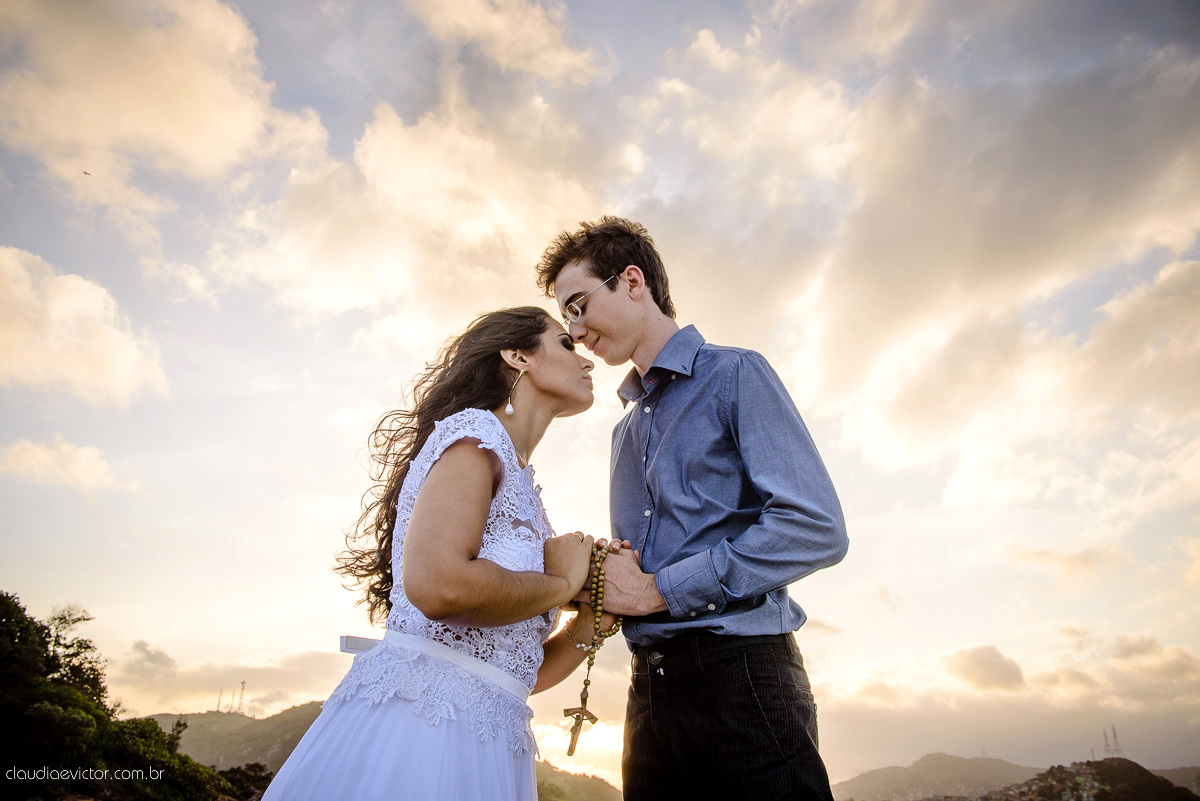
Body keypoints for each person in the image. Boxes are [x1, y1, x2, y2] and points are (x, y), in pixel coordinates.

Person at [536, 217, 849, 801]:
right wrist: (603, 575)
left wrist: (658, 591)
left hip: (743, 681)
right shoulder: (623, 434)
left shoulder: (736, 374)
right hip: (647, 695)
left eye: (578, 306)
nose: (575, 332)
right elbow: (641, 570)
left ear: (632, 280)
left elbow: (816, 528)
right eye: (566, 320)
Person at [263, 307, 617, 801]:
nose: (587, 362)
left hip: (489, 744)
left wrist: (591, 621)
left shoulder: (526, 488)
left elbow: (514, 671)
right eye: (565, 344)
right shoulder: (474, 437)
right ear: (518, 357)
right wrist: (560, 584)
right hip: (419, 736)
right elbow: (437, 585)